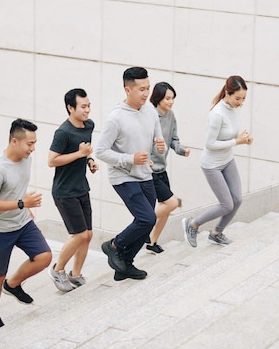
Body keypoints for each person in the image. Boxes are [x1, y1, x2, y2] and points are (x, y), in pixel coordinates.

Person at [0, 118, 52, 332]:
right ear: (14, 141)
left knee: (44, 257)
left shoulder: (25, 159)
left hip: (21, 222)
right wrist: (22, 203)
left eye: (34, 143)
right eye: (30, 143)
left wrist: (24, 207)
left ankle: (12, 285)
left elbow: (17, 186)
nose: (33, 148)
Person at [95, 67, 165, 281]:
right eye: (141, 89)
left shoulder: (151, 111)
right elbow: (100, 151)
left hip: (145, 173)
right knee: (147, 217)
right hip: (123, 176)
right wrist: (129, 159)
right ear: (128, 89)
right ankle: (113, 245)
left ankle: (125, 265)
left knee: (147, 222)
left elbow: (156, 140)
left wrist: (159, 147)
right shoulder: (116, 118)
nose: (146, 93)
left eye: (148, 88)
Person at [182, 75, 253, 247]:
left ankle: (216, 233)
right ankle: (192, 224)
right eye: (238, 98)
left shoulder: (232, 110)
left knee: (237, 200)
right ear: (227, 93)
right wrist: (237, 142)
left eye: (243, 98)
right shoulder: (216, 114)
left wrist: (242, 137)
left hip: (227, 160)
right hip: (212, 165)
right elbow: (210, 144)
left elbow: (228, 134)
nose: (240, 102)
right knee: (226, 204)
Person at [46, 88, 99, 292]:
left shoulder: (89, 125)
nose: (87, 110)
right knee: (78, 234)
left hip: (81, 188)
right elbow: (52, 161)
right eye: (83, 106)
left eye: (88, 105)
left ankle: (75, 275)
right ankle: (57, 270)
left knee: (88, 235)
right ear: (70, 108)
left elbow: (85, 151)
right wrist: (79, 154)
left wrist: (90, 160)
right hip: (64, 191)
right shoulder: (63, 132)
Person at [146, 82, 190, 254]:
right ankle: (141, 221)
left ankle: (152, 241)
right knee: (172, 203)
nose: (171, 102)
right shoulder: (150, 116)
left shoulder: (170, 116)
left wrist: (182, 150)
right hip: (150, 171)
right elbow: (143, 141)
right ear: (158, 99)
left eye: (173, 98)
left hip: (162, 170)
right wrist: (147, 159)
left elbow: (174, 140)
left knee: (166, 210)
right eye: (168, 98)